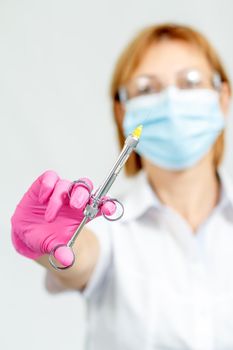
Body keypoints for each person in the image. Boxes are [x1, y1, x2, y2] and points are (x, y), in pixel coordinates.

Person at [11, 23, 233, 349]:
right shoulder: (110, 225)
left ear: (222, 96)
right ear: (122, 111)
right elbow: (79, 257)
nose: (171, 101)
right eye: (146, 89)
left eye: (190, 82)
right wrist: (58, 240)